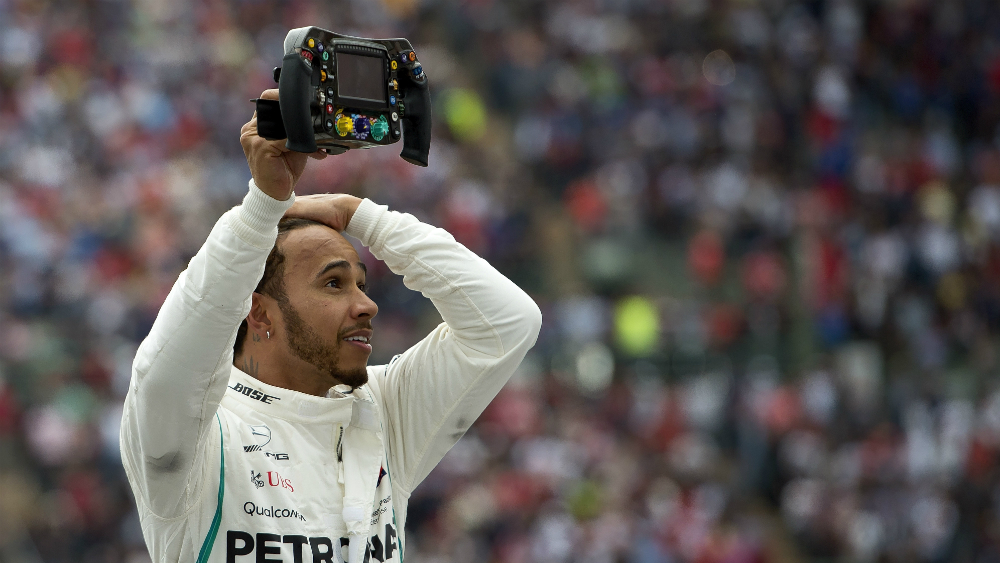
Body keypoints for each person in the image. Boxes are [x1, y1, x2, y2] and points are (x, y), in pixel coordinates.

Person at [119, 89, 542, 563]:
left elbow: (508, 323)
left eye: (361, 283)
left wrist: (365, 218)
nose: (367, 305)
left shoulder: (383, 411)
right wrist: (262, 208)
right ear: (259, 313)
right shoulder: (203, 432)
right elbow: (168, 369)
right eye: (334, 284)